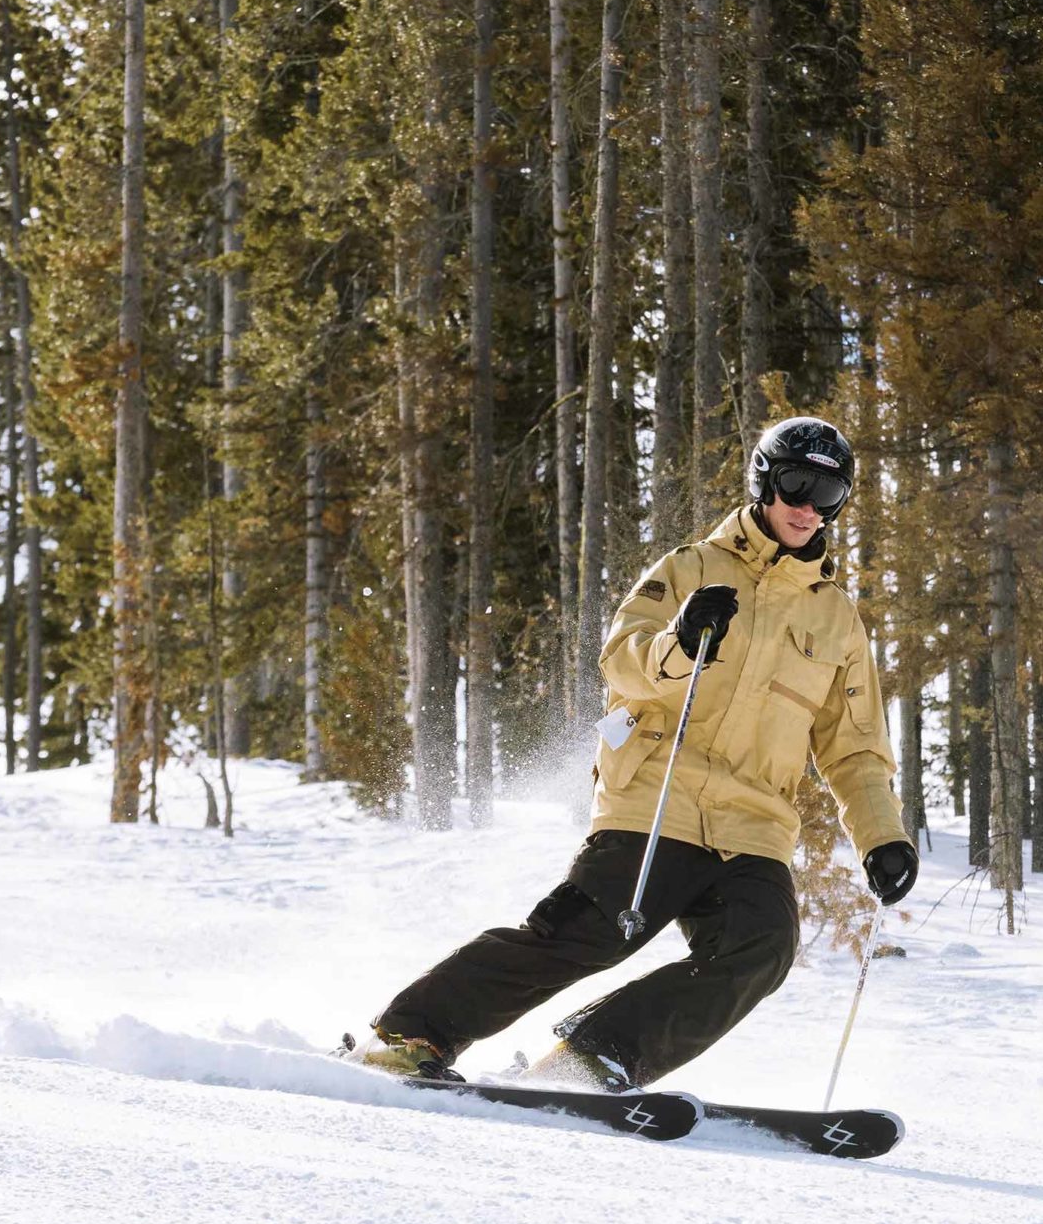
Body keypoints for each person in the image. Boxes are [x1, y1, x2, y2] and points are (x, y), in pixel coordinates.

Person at [353, 416, 919, 1093]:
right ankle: (411, 1031)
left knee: (760, 952)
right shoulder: (691, 568)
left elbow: (855, 749)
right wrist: (681, 642)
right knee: (587, 934)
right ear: (764, 483)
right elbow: (620, 663)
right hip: (656, 800)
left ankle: (595, 1059)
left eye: (826, 496)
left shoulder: (836, 620)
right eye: (796, 485)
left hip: (756, 826)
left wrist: (883, 838)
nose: (806, 507)